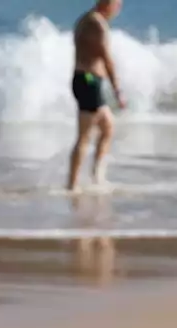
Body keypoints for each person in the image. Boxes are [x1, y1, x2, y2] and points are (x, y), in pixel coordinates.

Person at [67, 0, 126, 192]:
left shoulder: (86, 19)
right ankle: (72, 184)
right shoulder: (97, 24)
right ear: (107, 3)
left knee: (107, 127)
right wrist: (117, 89)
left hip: (86, 80)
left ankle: (97, 176)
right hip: (89, 80)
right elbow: (106, 58)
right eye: (117, 5)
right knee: (84, 135)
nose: (118, 9)